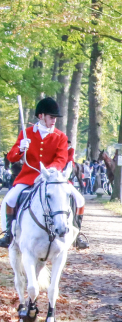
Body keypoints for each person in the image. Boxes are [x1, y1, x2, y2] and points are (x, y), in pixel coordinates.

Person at [0, 97, 89, 249]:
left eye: (55, 117)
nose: (54, 120)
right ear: (41, 116)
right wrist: (20, 148)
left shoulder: (60, 137)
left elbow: (61, 159)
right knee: (10, 199)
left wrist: (48, 172)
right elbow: (11, 157)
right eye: (51, 117)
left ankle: (76, 234)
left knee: (79, 199)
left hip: (53, 178)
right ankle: (9, 234)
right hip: (28, 177)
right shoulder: (26, 133)